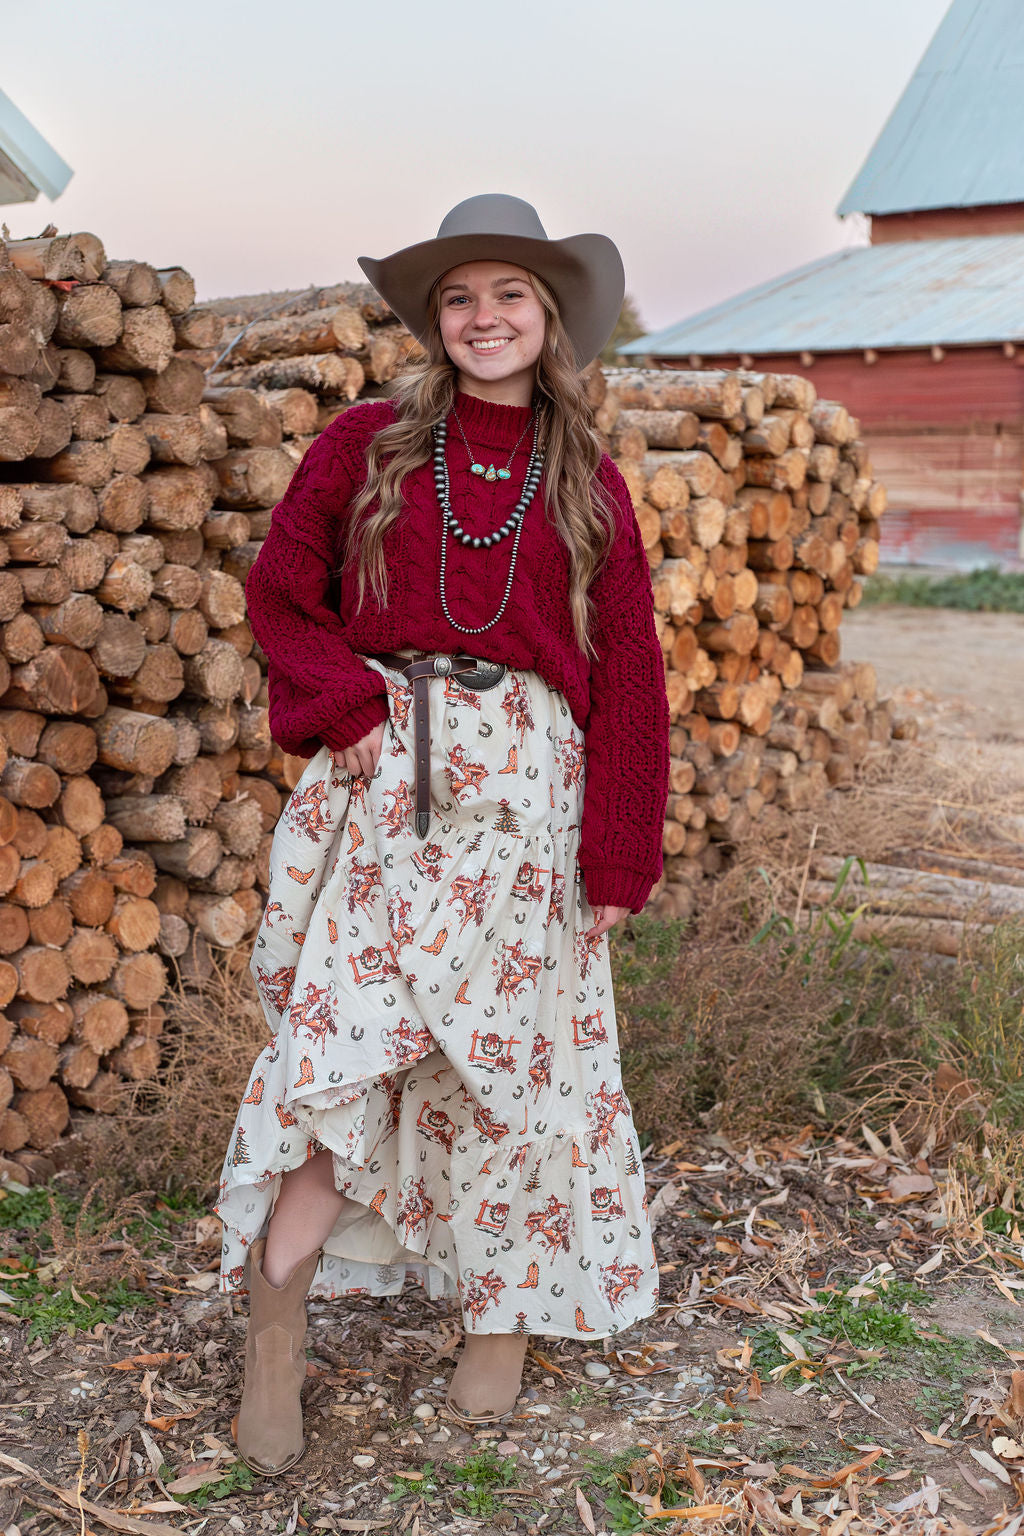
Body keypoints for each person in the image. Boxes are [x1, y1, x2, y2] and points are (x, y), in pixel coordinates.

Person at [214, 193, 671, 1476]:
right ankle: (275, 1327)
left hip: (530, 796)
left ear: (550, 317)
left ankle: (502, 1319)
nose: (484, 317)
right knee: (345, 1052)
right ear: (434, 320)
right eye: (460, 297)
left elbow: (629, 678)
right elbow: (280, 593)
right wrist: (344, 699)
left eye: (509, 294)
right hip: (385, 788)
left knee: (516, 1067)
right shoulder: (363, 445)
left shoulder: (587, 483)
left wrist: (618, 848)